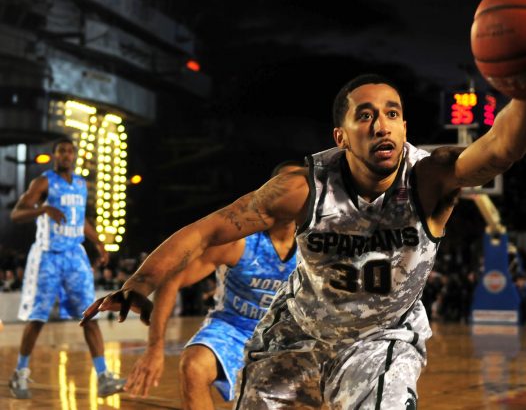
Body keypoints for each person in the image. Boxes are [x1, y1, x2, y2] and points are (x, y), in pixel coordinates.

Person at [82, 74, 526, 409]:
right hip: (296, 335)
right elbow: (207, 230)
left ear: (405, 126)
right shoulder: (302, 188)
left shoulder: (430, 178)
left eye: (392, 113)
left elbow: (501, 146)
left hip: (381, 337)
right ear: (341, 136)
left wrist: (521, 87)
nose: (381, 125)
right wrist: (140, 282)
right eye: (365, 115)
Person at [84, 161, 301, 408]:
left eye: (297, 185)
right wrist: (155, 348)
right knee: (194, 365)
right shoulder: (239, 241)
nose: (290, 191)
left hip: (289, 334)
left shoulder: (317, 243)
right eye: (282, 185)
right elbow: (173, 279)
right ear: (266, 193)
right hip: (234, 328)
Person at [9, 138, 126, 399]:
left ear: (74, 157)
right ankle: (20, 373)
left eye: (70, 152)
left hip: (75, 255)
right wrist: (44, 209)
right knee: (37, 318)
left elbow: (80, 218)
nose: (66, 155)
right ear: (54, 156)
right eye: (61, 151)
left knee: (90, 314)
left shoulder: (82, 184)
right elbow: (16, 213)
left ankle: (104, 376)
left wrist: (99, 243)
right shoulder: (43, 182)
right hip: (48, 256)